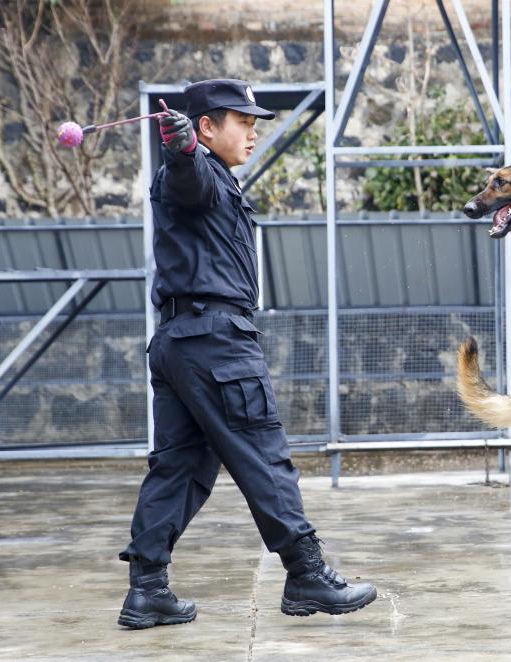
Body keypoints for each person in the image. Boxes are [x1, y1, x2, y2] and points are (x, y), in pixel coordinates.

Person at [117, 79, 377, 629]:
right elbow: (187, 177)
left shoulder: (217, 176)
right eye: (243, 121)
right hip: (215, 343)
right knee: (263, 452)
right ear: (206, 126)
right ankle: (306, 574)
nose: (254, 133)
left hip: (181, 341)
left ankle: (146, 589)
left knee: (180, 467)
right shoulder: (197, 170)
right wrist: (181, 148)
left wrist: (187, 154)